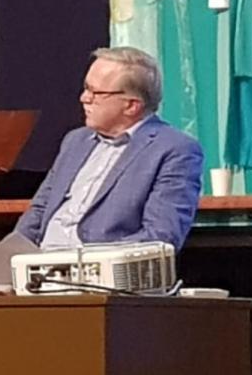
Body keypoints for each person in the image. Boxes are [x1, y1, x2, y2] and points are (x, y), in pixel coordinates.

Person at [14, 46, 203, 250]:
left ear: (131, 105)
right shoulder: (75, 141)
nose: (84, 98)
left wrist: (83, 260)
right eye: (86, 88)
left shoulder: (173, 149)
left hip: (97, 272)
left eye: (95, 92)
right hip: (38, 268)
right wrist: (6, 262)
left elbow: (160, 237)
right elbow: (39, 212)